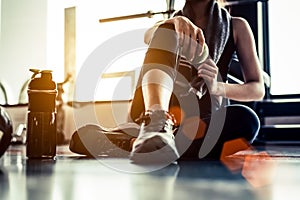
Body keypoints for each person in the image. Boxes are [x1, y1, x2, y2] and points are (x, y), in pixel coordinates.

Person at [128, 0, 265, 164]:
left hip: (199, 118)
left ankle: (143, 144)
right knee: (166, 30)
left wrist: (217, 87)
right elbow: (147, 36)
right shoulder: (169, 24)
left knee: (247, 121)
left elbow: (257, 88)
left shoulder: (237, 26)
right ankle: (157, 124)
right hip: (156, 110)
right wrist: (174, 22)